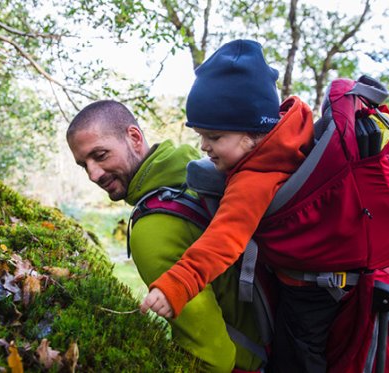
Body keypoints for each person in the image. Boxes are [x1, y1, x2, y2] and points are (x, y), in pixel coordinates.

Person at [139, 39, 335, 373]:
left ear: (251, 131)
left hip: (308, 292)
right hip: (321, 282)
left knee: (296, 362)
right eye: (202, 135)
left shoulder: (253, 178)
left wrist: (177, 285)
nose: (204, 146)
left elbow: (224, 241)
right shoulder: (288, 139)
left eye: (214, 137)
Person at [67, 100, 263, 372]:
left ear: (134, 137)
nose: (93, 174)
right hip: (280, 338)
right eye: (83, 165)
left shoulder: (152, 230)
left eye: (100, 155)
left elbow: (212, 358)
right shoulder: (194, 172)